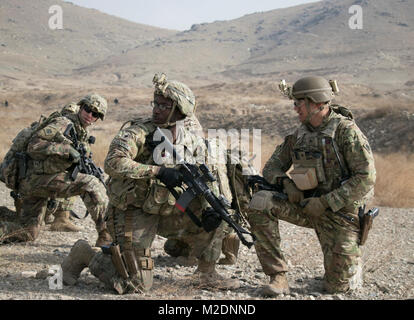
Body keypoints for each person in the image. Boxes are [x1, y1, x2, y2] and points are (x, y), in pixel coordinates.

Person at [61, 74, 239, 294]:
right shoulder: (138, 131)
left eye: (165, 106)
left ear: (181, 111)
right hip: (134, 208)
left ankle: (206, 273)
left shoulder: (190, 138)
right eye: (156, 104)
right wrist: (157, 171)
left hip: (167, 208)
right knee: (135, 284)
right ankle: (85, 254)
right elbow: (113, 162)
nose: (157, 110)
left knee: (218, 215)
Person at [247, 76, 376, 296]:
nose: (295, 108)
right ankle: (278, 276)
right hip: (306, 207)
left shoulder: (346, 132)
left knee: (337, 288)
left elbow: (365, 177)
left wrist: (326, 202)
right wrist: (286, 184)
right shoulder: (300, 134)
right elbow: (271, 167)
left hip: (339, 215)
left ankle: (345, 267)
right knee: (260, 201)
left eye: (299, 103)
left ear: (316, 103)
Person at [0, 94, 111, 247]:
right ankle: (106, 236)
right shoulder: (63, 123)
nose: (90, 115)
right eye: (88, 109)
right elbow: (34, 145)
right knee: (90, 184)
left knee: (28, 232)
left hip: (38, 183)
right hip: (35, 179)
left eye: (95, 114)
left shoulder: (80, 131)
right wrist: (66, 150)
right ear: (81, 106)